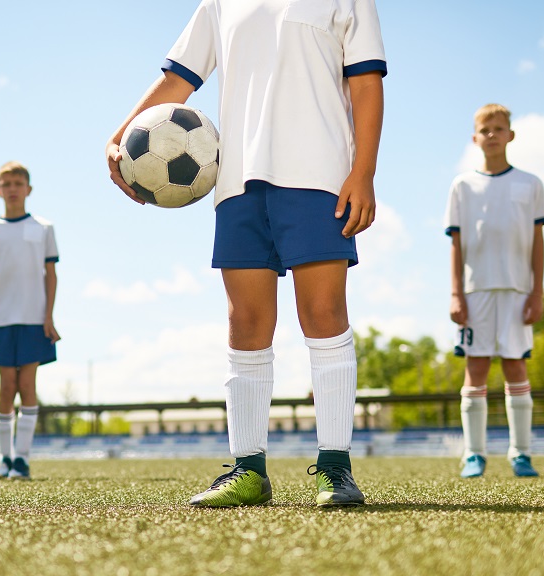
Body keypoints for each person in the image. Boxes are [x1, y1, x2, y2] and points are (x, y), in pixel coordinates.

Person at [106, 0, 387, 508]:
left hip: (320, 175)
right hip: (236, 180)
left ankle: (335, 468)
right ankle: (248, 468)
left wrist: (362, 172)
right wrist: (123, 133)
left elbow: (366, 83)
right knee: (247, 321)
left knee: (324, 313)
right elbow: (178, 79)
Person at [445, 103, 544, 479]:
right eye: (485, 129)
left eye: (498, 128)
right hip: (476, 291)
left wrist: (536, 292)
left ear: (511, 134)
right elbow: (455, 244)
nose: (492, 134)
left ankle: (521, 453)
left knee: (516, 366)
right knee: (475, 369)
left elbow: (538, 241)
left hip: (518, 290)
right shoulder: (462, 185)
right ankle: (474, 454)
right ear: (475, 137)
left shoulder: (530, 184)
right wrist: (456, 293)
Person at [0, 161, 60, 481]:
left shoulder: (44, 228)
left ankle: (22, 459)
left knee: (27, 385)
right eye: (6, 184)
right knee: (5, 387)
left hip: (33, 319)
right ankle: (4, 459)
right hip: (1, 320)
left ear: (28, 189)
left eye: (18, 183)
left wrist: (48, 316)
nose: (12, 189)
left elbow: (51, 274)